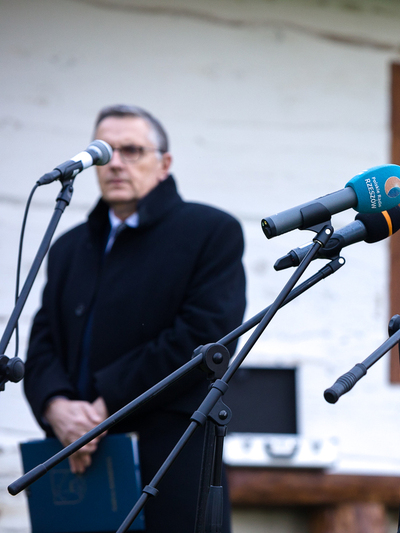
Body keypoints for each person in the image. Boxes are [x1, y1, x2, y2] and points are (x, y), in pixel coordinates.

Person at [24, 105, 247, 532]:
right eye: (105, 153)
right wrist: (57, 407)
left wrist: (102, 410)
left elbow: (203, 339)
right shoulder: (69, 247)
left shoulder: (210, 231)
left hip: (169, 458)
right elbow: (42, 343)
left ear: (164, 164)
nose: (117, 164)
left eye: (132, 151)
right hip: (74, 456)